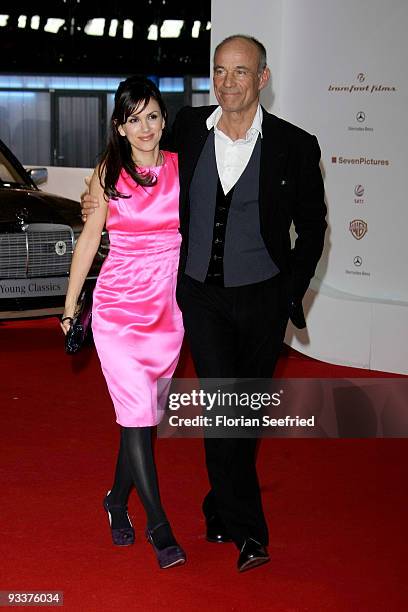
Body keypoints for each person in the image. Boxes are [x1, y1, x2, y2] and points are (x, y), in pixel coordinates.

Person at [81, 35, 327, 573]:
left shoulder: (295, 145)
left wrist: (292, 290)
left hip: (263, 299)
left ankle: (218, 508)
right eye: (220, 71)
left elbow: (312, 228)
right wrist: (96, 189)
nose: (228, 81)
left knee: (246, 414)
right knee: (223, 411)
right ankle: (250, 534)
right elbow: (130, 150)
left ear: (263, 78)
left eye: (241, 72)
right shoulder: (189, 128)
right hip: (197, 298)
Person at [61, 76, 186, 570]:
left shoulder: (183, 167)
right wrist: (71, 309)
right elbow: (89, 241)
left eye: (152, 115)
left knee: (141, 419)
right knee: (137, 414)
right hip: (116, 310)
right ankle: (158, 524)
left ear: (163, 119)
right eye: (133, 119)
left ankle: (116, 499)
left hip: (165, 316)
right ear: (120, 125)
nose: (145, 127)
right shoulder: (108, 173)